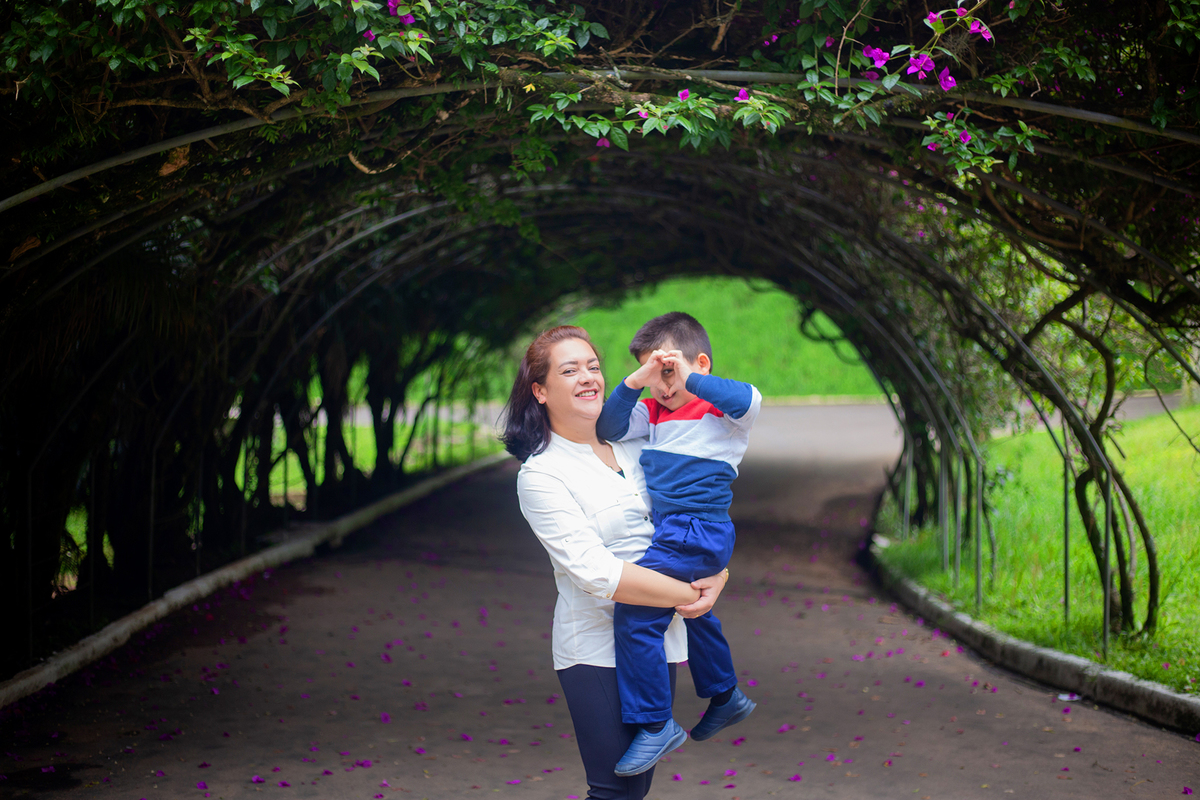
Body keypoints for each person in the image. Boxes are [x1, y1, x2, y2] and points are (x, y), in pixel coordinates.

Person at [503, 325, 730, 800]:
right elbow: (595, 572)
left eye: (593, 366)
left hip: (659, 637)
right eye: (570, 370)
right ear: (540, 391)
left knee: (635, 790)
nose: (589, 378)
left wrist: (719, 574)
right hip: (596, 648)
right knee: (614, 792)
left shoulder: (640, 443)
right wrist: (692, 595)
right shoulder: (542, 474)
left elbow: (698, 510)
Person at [595, 311, 762, 777]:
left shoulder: (723, 415)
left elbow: (749, 397)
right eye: (656, 377)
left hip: (697, 528)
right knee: (692, 610)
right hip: (679, 532)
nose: (663, 386)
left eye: (668, 374)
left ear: (701, 364)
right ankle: (725, 695)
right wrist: (636, 381)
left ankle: (655, 724)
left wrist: (689, 377)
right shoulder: (652, 413)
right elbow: (608, 427)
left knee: (635, 614)